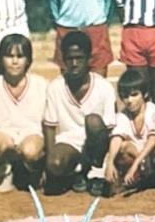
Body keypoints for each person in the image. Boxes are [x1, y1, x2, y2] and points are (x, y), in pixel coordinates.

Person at [42, 31, 118, 196]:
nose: (75, 63)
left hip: (97, 144)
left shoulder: (104, 87)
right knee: (55, 163)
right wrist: (48, 165)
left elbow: (111, 129)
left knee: (93, 121)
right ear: (63, 60)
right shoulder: (55, 87)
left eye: (79, 58)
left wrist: (110, 162)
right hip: (69, 143)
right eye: (70, 59)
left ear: (89, 59)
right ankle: (77, 172)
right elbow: (49, 126)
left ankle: (96, 172)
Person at [0, 33, 46, 195]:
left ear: (28, 60)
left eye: (20, 56)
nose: (15, 62)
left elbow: (49, 125)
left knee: (30, 150)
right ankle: (3, 167)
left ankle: (33, 170)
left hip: (32, 134)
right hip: (5, 135)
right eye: (9, 56)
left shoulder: (41, 85)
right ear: (1, 59)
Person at [105, 69, 155, 193]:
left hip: (152, 158)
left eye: (134, 95)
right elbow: (116, 138)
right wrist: (110, 163)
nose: (129, 100)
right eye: (125, 96)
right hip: (140, 161)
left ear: (145, 94)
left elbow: (153, 140)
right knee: (123, 146)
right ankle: (137, 179)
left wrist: (136, 164)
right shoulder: (122, 116)